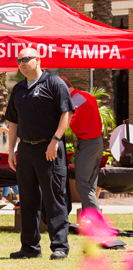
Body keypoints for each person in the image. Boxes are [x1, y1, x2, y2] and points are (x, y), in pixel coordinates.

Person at [6, 48, 74, 260]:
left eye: (26, 59)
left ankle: (60, 246)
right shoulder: (18, 89)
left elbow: (66, 112)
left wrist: (55, 140)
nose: (21, 63)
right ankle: (30, 247)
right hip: (25, 149)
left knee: (54, 199)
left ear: (38, 60)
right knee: (27, 199)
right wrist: (10, 150)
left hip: (50, 148)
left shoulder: (54, 83)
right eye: (19, 61)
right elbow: (13, 122)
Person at [60, 76, 103, 211]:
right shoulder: (86, 95)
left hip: (88, 144)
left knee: (82, 185)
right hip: (97, 142)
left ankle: (97, 220)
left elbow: (66, 121)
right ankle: (88, 219)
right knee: (89, 184)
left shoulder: (75, 100)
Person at [0, 108, 19, 205]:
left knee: (9, 174)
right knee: (6, 174)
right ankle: (16, 197)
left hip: (12, 152)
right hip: (2, 152)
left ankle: (4, 199)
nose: (5, 112)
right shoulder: (0, 122)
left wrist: (7, 131)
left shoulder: (16, 122)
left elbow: (17, 140)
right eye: (3, 110)